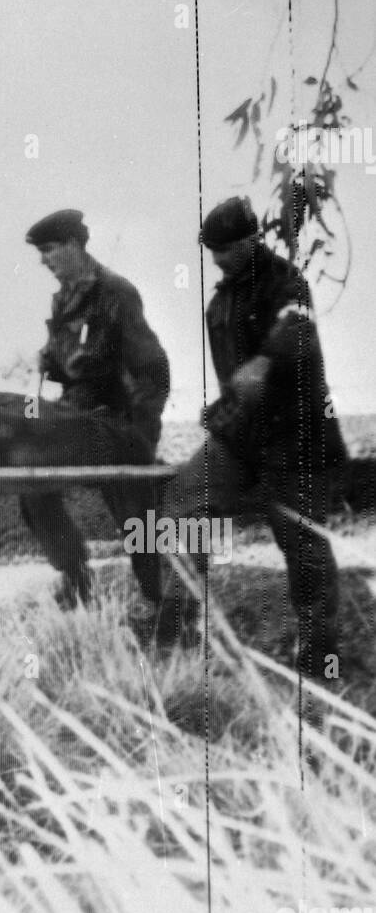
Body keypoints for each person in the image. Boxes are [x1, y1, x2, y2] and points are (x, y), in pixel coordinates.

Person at [157, 196, 347, 678]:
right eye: (212, 251)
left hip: (295, 435)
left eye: (226, 248)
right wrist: (222, 410)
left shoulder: (287, 281)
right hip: (243, 437)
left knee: (302, 542)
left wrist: (265, 361)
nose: (218, 259)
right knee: (182, 504)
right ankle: (179, 626)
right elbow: (233, 381)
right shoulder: (219, 304)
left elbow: (295, 326)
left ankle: (320, 653)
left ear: (249, 241)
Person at [22, 209, 171, 607]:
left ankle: (163, 604)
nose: (44, 260)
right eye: (41, 253)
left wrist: (141, 438)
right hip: (76, 419)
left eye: (50, 250)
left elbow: (152, 368)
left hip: (116, 425)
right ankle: (77, 580)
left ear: (74, 245)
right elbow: (75, 363)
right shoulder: (66, 297)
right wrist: (43, 358)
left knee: (137, 519)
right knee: (32, 482)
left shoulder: (114, 292)